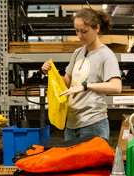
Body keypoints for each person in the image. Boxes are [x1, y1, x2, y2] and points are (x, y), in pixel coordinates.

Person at [41, 8, 122, 141]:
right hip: (72, 123)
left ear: (96, 28)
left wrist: (86, 86)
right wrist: (50, 73)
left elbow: (116, 87)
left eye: (84, 31)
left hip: (93, 123)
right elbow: (67, 82)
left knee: (93, 162)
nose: (79, 35)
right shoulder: (78, 53)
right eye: (76, 31)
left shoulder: (106, 55)